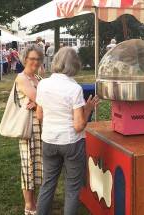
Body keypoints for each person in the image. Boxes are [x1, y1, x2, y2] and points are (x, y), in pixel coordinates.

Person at [36, 47, 99, 215]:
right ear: (75, 65)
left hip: (49, 140)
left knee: (48, 183)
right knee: (72, 188)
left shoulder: (43, 83)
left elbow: (39, 115)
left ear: (56, 61)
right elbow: (78, 126)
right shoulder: (74, 88)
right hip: (71, 142)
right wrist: (88, 109)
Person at [16, 44, 44, 215]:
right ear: (25, 58)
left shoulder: (39, 78)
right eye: (32, 58)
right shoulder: (22, 78)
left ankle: (37, 202)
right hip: (27, 129)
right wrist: (38, 102)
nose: (35, 61)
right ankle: (29, 206)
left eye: (38, 58)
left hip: (41, 127)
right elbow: (40, 97)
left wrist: (38, 104)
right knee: (28, 165)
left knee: (39, 164)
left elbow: (42, 100)